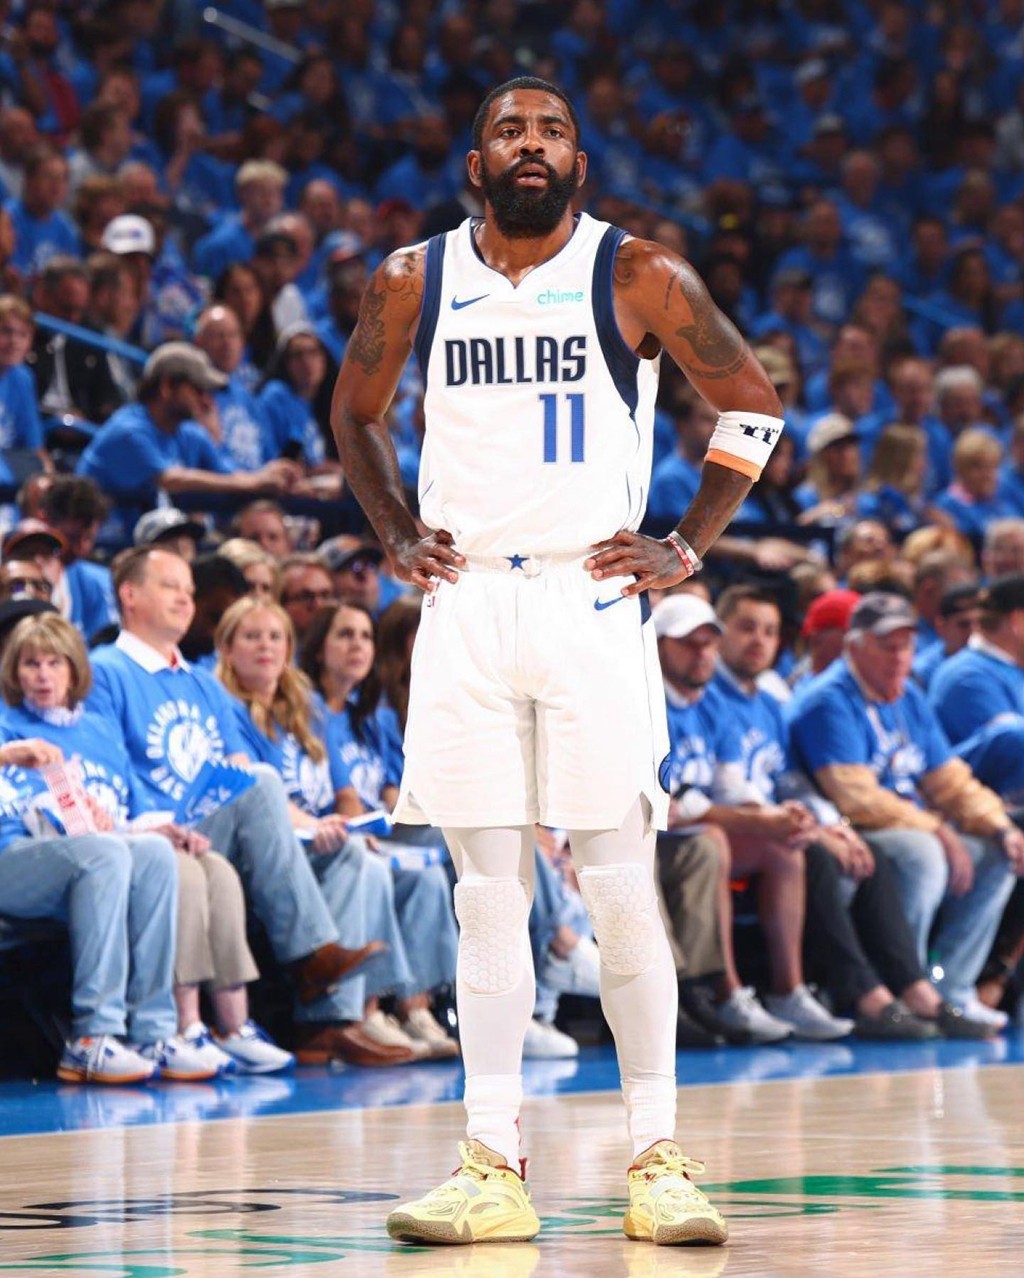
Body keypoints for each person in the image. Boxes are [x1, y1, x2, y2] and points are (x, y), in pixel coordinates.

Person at [334, 76, 784, 1248]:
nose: (528, 145)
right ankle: (491, 1163)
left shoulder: (637, 273)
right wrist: (393, 529)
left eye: (550, 132)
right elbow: (354, 412)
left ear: (578, 164)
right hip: (468, 599)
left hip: (591, 597)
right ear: (475, 164)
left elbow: (751, 407)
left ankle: (656, 1159)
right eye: (507, 131)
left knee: (620, 884)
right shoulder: (413, 279)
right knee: (487, 898)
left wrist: (687, 545)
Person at [87, 545, 382, 1010]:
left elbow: (243, 779)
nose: (185, 599)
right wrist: (155, 825)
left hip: (212, 829)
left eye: (189, 590)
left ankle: (346, 1013)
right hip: (152, 834)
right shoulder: (103, 671)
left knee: (343, 848)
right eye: (170, 587)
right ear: (129, 595)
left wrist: (313, 825)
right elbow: (109, 768)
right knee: (261, 779)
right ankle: (310, 955)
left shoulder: (203, 683)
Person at [0, 612, 295, 1076]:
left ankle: (155, 1031)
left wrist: (162, 830)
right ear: (13, 673)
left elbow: (131, 813)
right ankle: (93, 1034)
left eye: (54, 663)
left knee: (159, 854)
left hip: (93, 852)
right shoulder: (7, 721)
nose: (42, 675)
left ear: (75, 671)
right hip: (14, 856)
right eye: (30, 664)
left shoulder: (99, 730)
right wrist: (7, 754)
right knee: (105, 853)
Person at [789, 592, 1024, 1031]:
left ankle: (952, 988)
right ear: (855, 647)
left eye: (907, 646)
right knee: (923, 855)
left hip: (912, 823)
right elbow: (856, 799)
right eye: (887, 647)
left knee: (1000, 855)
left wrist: (1000, 826)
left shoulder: (908, 697)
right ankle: (905, 987)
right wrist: (937, 830)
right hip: (852, 828)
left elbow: (950, 781)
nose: (900, 657)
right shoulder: (829, 700)